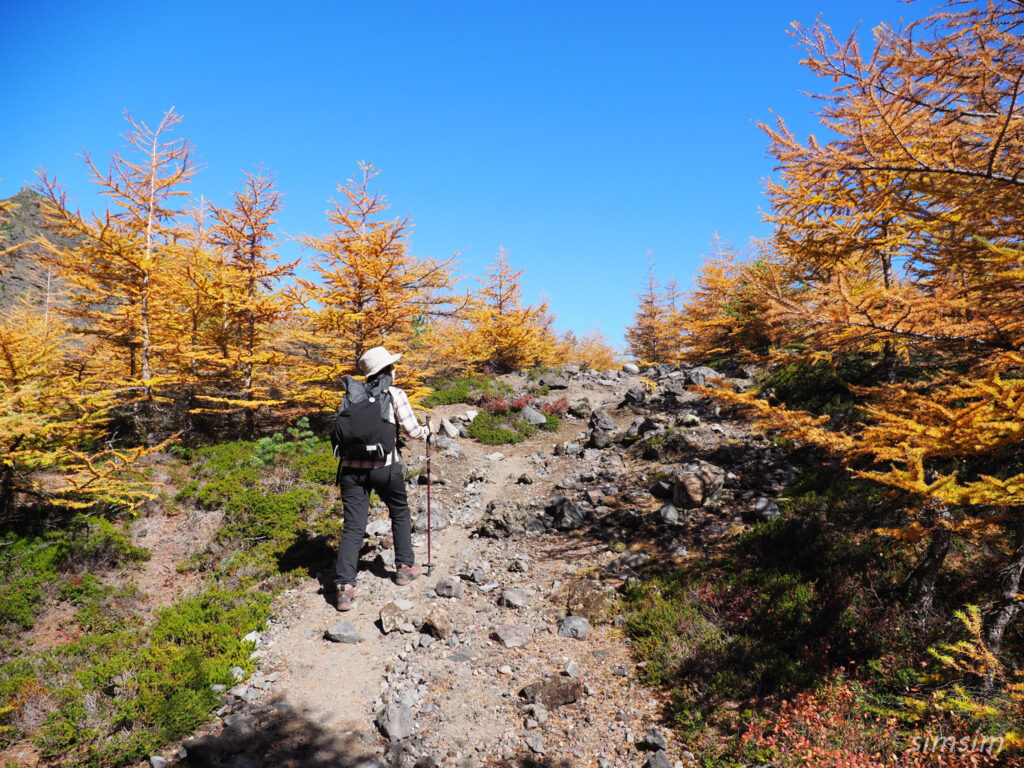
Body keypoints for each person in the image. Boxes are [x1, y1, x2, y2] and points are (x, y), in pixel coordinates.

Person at [332, 346, 430, 611]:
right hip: (385, 467)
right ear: (388, 371)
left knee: (353, 526)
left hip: (351, 471)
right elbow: (411, 430)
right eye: (393, 366)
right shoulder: (395, 394)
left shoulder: (350, 396)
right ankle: (405, 568)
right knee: (399, 511)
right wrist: (426, 431)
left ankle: (344, 588)